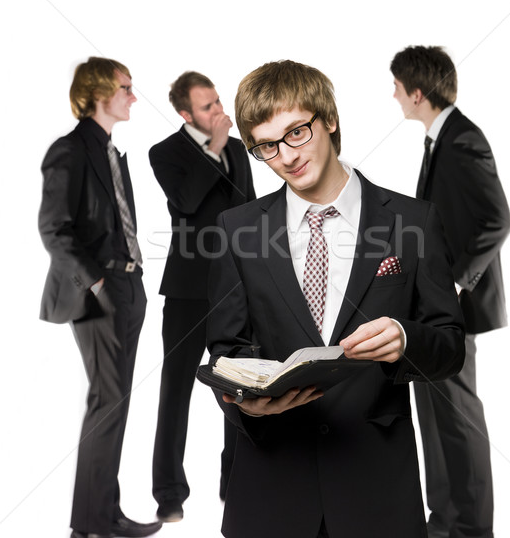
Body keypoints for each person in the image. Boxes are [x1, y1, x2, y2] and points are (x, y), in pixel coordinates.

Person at [205, 59, 466, 538]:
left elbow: (450, 346)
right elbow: (226, 351)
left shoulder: (413, 220)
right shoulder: (236, 229)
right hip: (271, 493)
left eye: (297, 132)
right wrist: (248, 403)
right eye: (267, 145)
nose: (285, 155)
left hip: (377, 493)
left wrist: (406, 338)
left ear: (328, 118)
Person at [390, 45, 510, 538]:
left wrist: (458, 281)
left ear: (417, 93)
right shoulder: (439, 140)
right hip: (431, 309)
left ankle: (473, 529)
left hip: (454, 309)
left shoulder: (462, 141)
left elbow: (497, 220)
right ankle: (442, 523)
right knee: (436, 417)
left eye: (397, 86)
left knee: (460, 422)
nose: (393, 94)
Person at [38, 57, 162, 538]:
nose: (134, 96)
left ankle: (103, 516)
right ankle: (88, 527)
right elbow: (54, 230)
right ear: (97, 93)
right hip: (97, 293)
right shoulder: (69, 151)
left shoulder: (111, 152)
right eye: (126, 88)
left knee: (116, 402)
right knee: (106, 401)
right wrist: (98, 282)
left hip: (129, 285)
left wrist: (129, 282)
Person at [148, 71, 256, 522]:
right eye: (207, 106)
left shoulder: (235, 149)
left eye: (217, 101)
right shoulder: (166, 152)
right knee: (176, 390)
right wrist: (212, 146)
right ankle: (169, 493)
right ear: (185, 113)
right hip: (188, 291)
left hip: (235, 286)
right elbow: (187, 202)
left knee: (240, 384)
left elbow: (249, 207)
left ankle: (235, 482)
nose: (218, 111)